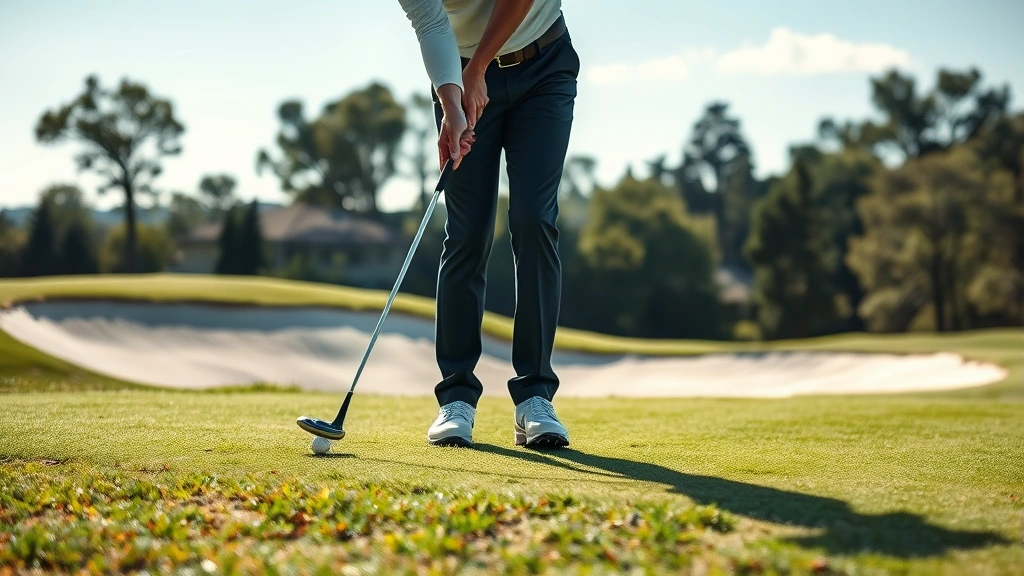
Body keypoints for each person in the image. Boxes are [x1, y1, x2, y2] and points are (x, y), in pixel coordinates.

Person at [397, 0, 579, 448]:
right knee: (467, 232)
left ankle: (534, 396)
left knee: (534, 218)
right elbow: (429, 21)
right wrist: (451, 104)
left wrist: (478, 68)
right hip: (460, 70)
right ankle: (456, 398)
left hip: (544, 64)